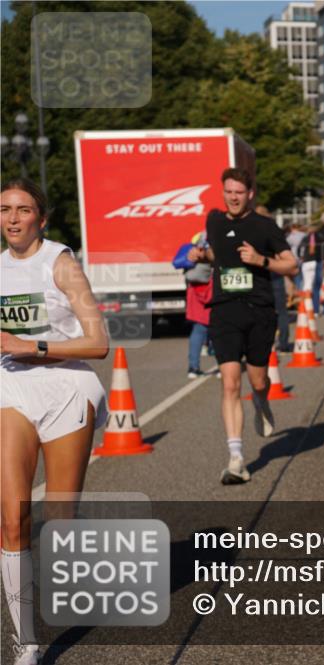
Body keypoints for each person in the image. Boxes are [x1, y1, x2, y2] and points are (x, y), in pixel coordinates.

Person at [1, 178, 110, 665]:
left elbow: (98, 342)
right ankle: (26, 642)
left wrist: (34, 346)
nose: (13, 218)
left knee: (59, 519)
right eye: (5, 209)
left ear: (41, 219)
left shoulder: (61, 264)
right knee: (12, 517)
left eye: (23, 210)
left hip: (66, 387)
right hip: (12, 389)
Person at [189, 168, 298, 484]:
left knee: (258, 381)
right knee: (230, 382)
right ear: (223, 192)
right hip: (224, 311)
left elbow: (290, 264)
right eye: (229, 191)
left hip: (259, 311)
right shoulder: (214, 220)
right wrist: (203, 254)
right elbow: (218, 255)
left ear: (250, 193)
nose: (233, 197)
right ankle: (236, 458)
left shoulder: (265, 226)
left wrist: (260, 260)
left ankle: (261, 400)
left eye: (239, 192)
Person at [172, 231, 215, 377]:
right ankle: (222, 366)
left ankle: (193, 367)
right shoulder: (216, 239)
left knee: (198, 329)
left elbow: (180, 263)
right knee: (218, 329)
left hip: (195, 290)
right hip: (212, 289)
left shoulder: (195, 243)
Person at [257, 206, 292, 354]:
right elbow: (282, 258)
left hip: (261, 276)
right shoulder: (273, 230)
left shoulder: (251, 231)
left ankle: (264, 342)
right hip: (275, 274)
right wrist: (289, 280)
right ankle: (283, 343)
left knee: (262, 311)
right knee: (281, 311)